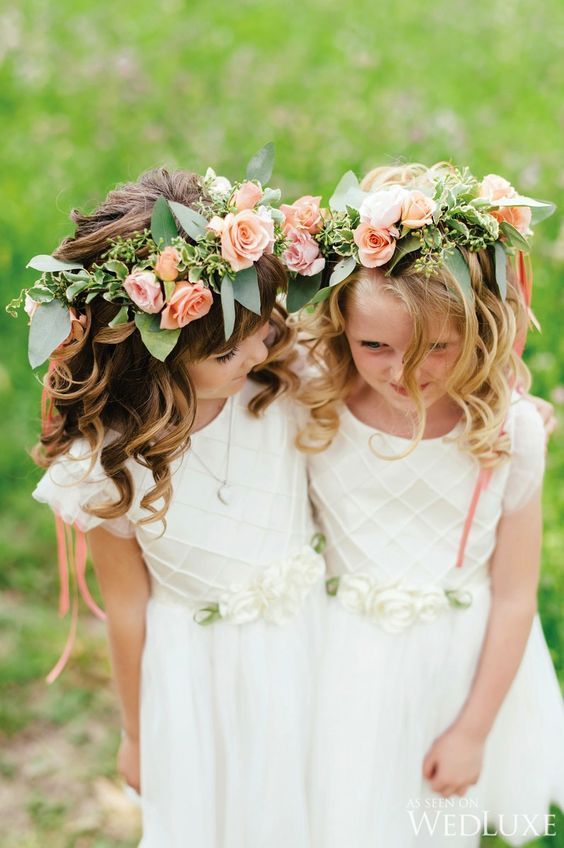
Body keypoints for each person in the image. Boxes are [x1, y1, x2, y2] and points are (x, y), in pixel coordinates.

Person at [16, 158, 325, 848]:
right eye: (226, 348)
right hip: (199, 677)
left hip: (312, 641)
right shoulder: (106, 465)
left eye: (261, 326)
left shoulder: (279, 383)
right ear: (155, 346)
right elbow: (126, 607)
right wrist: (135, 733)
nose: (255, 348)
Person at [289, 163, 564, 846]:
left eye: (437, 347)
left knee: (433, 826)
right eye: (374, 345)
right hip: (342, 660)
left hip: (459, 665)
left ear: (481, 327)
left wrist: (473, 730)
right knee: (342, 814)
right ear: (341, 328)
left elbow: (513, 597)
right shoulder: (316, 407)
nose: (402, 373)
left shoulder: (508, 433)